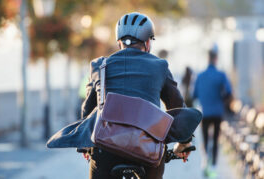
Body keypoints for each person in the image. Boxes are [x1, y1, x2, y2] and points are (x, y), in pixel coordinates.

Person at [81, 12, 192, 179]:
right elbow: (177, 107)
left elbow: (88, 110)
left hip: (106, 150)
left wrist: (85, 145)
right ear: (147, 43)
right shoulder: (160, 66)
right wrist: (184, 143)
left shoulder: (100, 65)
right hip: (147, 152)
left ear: (119, 43)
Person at [193, 45, 232, 178]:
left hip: (205, 112)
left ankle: (205, 162)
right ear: (216, 59)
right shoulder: (221, 75)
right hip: (218, 112)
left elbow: (195, 95)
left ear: (208, 58)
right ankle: (214, 166)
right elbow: (228, 93)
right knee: (215, 139)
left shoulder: (200, 76)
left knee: (204, 138)